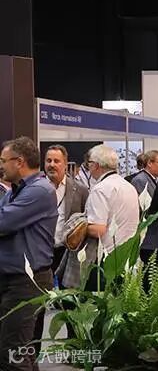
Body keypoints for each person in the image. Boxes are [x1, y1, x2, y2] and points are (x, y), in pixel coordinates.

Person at [0, 137, 57, 369]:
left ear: (19, 162)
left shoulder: (39, 190)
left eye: (3, 161)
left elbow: (3, 222)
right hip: (15, 280)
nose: (1, 166)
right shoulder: (14, 191)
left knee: (13, 353)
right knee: (21, 351)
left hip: (27, 282)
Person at [82, 145, 141, 290]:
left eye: (89, 164)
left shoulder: (100, 189)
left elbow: (98, 230)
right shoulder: (129, 187)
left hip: (106, 261)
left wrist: (78, 226)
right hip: (128, 257)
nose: (88, 168)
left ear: (96, 165)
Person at [44, 145, 89, 276]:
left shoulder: (80, 189)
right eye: (48, 161)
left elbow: (86, 219)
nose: (52, 165)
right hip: (42, 250)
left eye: (56, 161)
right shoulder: (35, 188)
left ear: (65, 164)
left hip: (67, 252)